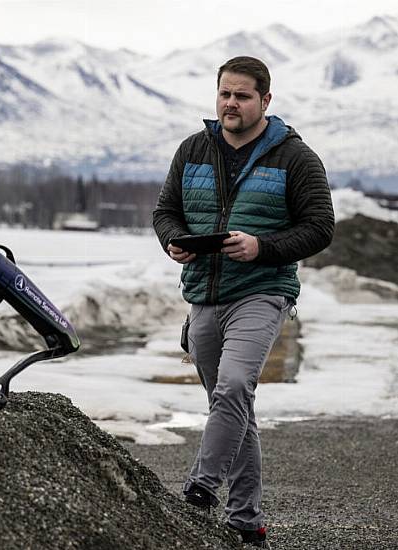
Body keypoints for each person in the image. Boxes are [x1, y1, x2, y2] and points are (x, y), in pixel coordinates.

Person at [152, 56, 334, 548]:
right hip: (204, 294)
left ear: (265, 101)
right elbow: (165, 211)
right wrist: (174, 240)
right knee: (233, 407)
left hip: (261, 291)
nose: (231, 103)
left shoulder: (295, 158)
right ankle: (246, 519)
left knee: (233, 387)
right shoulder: (193, 149)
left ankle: (201, 487)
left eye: (243, 95)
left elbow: (320, 227)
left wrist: (263, 247)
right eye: (224, 94)